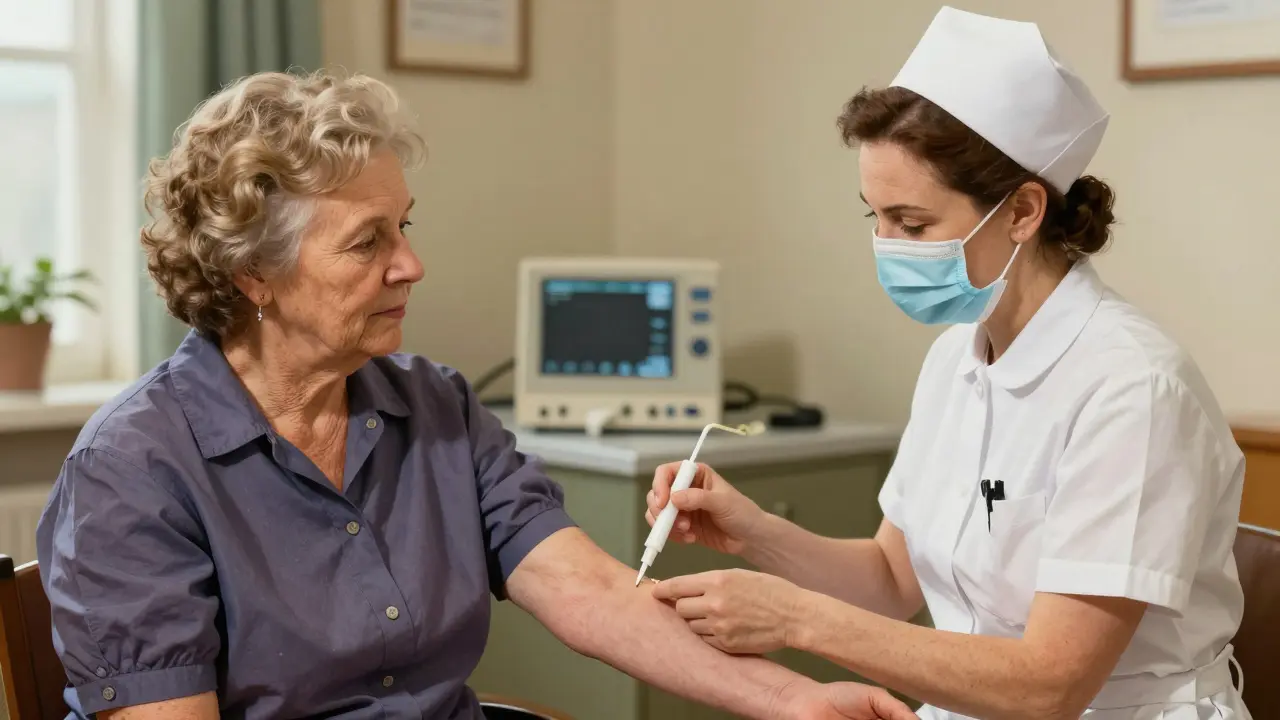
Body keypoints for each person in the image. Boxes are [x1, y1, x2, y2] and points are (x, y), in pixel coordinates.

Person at [35, 71, 915, 720]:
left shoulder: (437, 408)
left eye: (404, 226)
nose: (410, 264)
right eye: (366, 242)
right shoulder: (134, 469)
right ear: (253, 276)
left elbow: (592, 593)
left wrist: (796, 702)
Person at [645, 7, 1252, 720]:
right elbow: (892, 577)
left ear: (1023, 212)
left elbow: (1049, 686)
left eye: (913, 223)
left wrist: (797, 621)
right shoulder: (956, 361)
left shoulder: (1133, 389)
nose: (887, 245)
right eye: (874, 217)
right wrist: (752, 530)